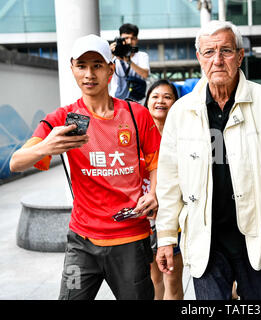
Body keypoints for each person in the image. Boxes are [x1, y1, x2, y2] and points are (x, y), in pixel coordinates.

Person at [154, 20, 261, 300]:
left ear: (240, 56)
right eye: (209, 52)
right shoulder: (182, 111)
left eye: (226, 51)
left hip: (256, 233)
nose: (217, 60)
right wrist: (166, 237)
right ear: (199, 58)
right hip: (205, 239)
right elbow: (169, 180)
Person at [9, 34, 161, 300]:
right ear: (72, 69)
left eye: (97, 65)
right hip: (82, 243)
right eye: (81, 66)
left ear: (110, 69)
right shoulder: (63, 119)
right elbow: (16, 162)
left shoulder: (137, 115)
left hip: (130, 239)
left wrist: (154, 192)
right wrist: (47, 146)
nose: (89, 74)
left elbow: (158, 160)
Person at [143, 79, 184, 300]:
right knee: (153, 278)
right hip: (144, 219)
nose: (161, 101)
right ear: (147, 101)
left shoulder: (183, 136)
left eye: (167, 97)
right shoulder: (135, 135)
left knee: (172, 278)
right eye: (155, 96)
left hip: (172, 217)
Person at [110, 23, 150, 103]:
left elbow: (145, 74)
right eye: (126, 38)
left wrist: (128, 61)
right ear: (120, 38)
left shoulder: (142, 55)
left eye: (133, 38)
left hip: (137, 100)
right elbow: (103, 73)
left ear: (137, 40)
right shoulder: (114, 55)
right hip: (116, 100)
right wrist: (110, 54)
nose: (129, 41)